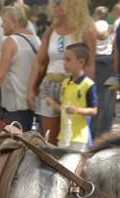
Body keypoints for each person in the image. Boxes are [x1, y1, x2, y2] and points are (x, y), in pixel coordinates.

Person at [27, 0, 96, 145]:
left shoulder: (86, 30)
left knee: (74, 136)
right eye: (53, 3)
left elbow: (89, 65)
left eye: (58, 2)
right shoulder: (51, 31)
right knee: (50, 139)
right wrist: (31, 89)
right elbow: (39, 61)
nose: (54, 6)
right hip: (49, 86)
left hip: (73, 87)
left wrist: (87, 91)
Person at [0, 4, 41, 132]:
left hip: (16, 102)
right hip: (33, 100)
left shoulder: (10, 42)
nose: (2, 25)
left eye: (4, 21)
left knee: (17, 143)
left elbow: (0, 75)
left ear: (14, 22)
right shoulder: (36, 39)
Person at [46, 42, 96, 149]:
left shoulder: (88, 84)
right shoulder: (65, 83)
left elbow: (93, 110)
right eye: (64, 59)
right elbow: (64, 109)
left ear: (81, 62)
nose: (64, 63)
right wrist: (54, 105)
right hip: (64, 136)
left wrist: (77, 110)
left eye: (68, 60)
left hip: (79, 138)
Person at [92, 4, 117, 135]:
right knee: (107, 98)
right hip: (107, 60)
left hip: (100, 61)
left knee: (101, 98)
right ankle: (105, 129)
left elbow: (102, 35)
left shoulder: (100, 24)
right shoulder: (108, 24)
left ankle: (100, 130)